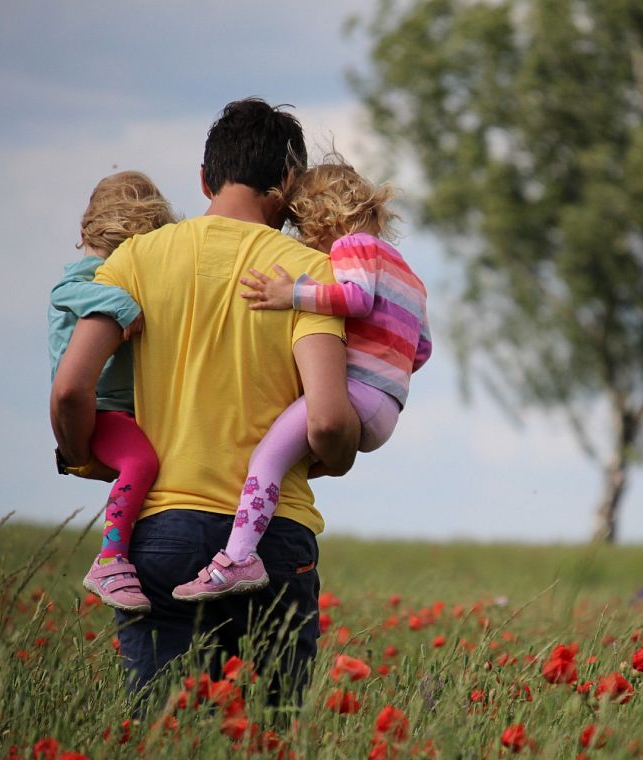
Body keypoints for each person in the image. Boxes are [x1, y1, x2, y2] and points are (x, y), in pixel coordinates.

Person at [50, 98, 360, 698]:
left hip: (160, 531)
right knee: (268, 735)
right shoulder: (309, 273)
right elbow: (325, 420)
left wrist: (85, 454)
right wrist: (339, 454)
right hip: (273, 539)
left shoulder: (135, 259)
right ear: (289, 184)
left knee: (166, 731)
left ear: (203, 178)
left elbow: (69, 388)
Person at [172, 156, 432, 601]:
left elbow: (355, 298)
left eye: (302, 225)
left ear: (324, 216)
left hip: (356, 393)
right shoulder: (409, 274)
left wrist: (290, 294)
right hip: (387, 406)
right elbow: (421, 349)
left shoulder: (354, 248)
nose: (303, 238)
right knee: (287, 461)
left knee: (266, 459)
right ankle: (251, 538)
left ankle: (238, 558)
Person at [49, 171, 175, 614]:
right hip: (101, 409)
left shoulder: (111, 271)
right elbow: (65, 291)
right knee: (141, 462)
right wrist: (123, 305)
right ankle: (110, 559)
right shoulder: (89, 276)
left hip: (122, 409)